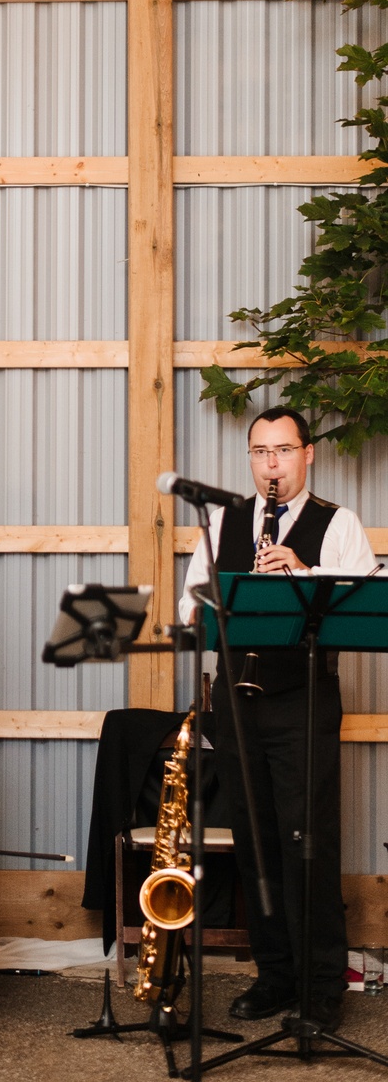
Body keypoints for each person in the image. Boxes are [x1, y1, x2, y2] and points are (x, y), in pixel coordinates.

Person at [179, 407, 375, 1032]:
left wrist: (304, 577)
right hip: (237, 701)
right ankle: (275, 976)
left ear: (307, 454)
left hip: (303, 700)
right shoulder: (222, 522)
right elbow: (190, 607)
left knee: (307, 842)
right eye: (261, 452)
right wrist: (228, 596)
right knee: (256, 841)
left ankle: (321, 987)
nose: (272, 464)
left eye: (283, 450)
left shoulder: (339, 524)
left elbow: (366, 599)